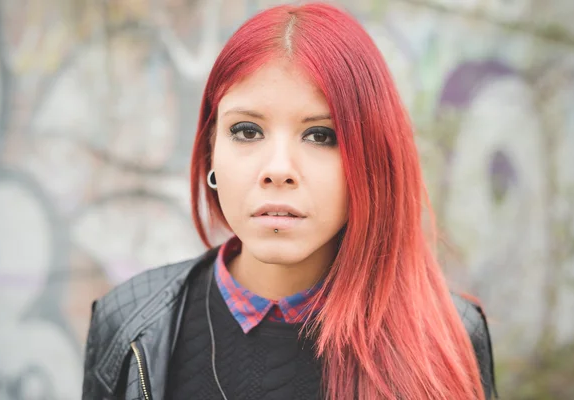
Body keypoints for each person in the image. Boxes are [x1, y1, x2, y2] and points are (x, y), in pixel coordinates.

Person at [82, 2, 497, 399]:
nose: (278, 169)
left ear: (371, 161)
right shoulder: (129, 323)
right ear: (211, 151)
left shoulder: (448, 336)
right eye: (246, 131)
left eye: (321, 135)